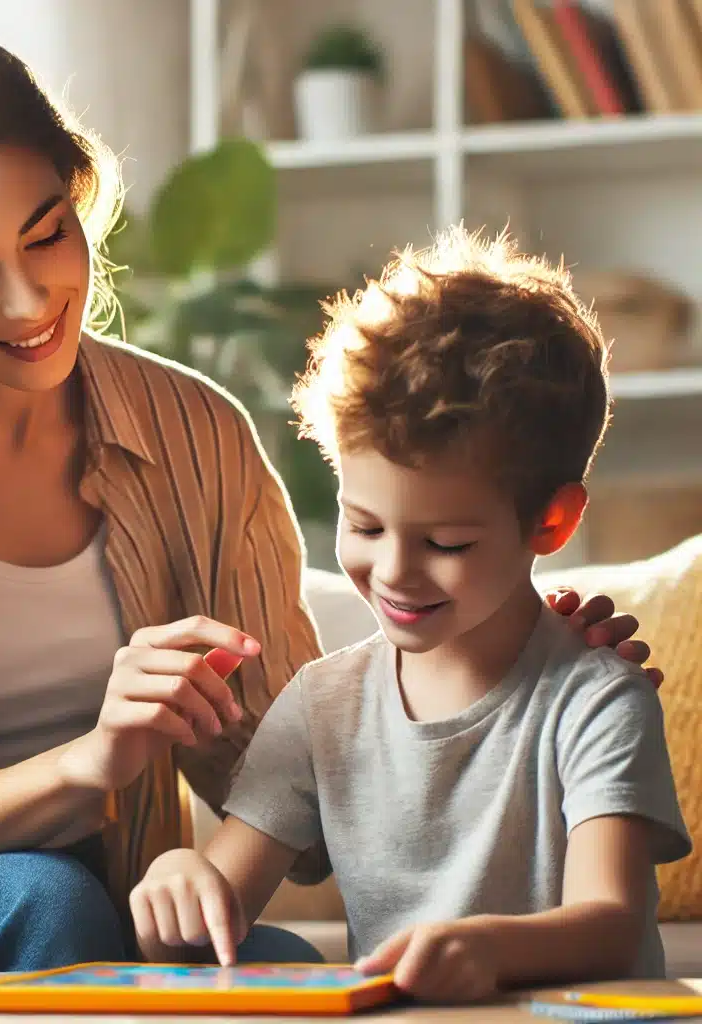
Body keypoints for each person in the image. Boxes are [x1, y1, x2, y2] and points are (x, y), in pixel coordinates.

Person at [0, 26, 656, 974]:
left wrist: (505, 660)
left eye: (47, 234)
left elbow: (303, 797)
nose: (28, 301)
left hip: (102, 898)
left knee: (270, 971)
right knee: (36, 899)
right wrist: (93, 758)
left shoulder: (195, 436)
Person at [130, 229, 691, 997]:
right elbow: (221, 897)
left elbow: (612, 921)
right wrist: (178, 882)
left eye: (446, 541)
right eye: (363, 527)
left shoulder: (596, 700)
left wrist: (491, 952)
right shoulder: (321, 707)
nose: (393, 570)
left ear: (551, 525)